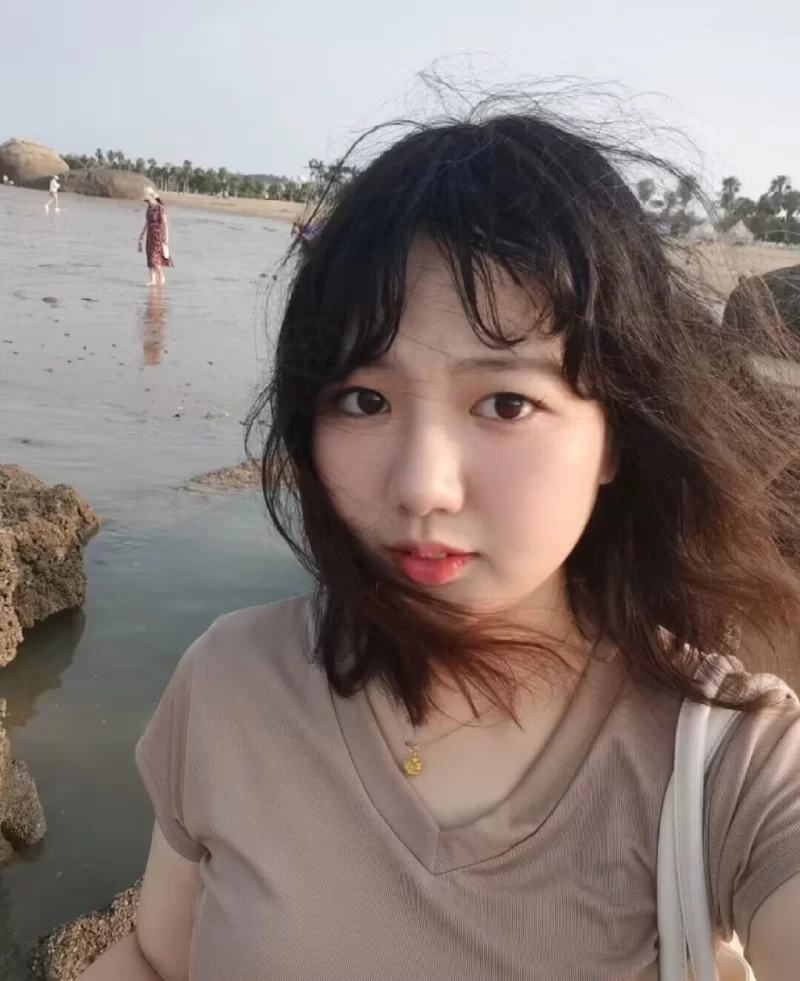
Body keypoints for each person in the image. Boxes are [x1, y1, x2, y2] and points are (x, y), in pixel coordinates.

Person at [80, 107, 800, 980]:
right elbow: (155, 959)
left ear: (616, 435)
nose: (422, 485)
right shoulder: (228, 680)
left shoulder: (731, 762)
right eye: (365, 400)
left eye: (506, 402)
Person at [138, 188, 173, 287]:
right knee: (150, 258)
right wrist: (142, 235)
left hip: (158, 236)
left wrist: (167, 237)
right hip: (150, 235)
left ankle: (162, 276)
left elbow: (165, 223)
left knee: (155, 258)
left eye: (148, 200)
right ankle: (153, 280)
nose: (147, 202)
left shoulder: (160, 208)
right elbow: (147, 223)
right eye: (146, 200)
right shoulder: (149, 208)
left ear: (153, 198)